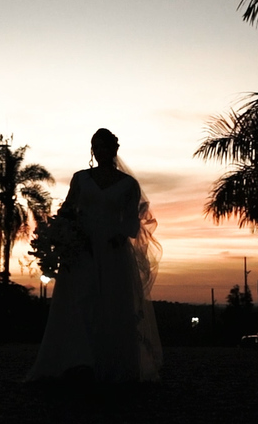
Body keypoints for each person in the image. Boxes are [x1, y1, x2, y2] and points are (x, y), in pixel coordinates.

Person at [27, 128, 163, 383]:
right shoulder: (81, 179)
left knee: (111, 305)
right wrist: (61, 234)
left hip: (112, 253)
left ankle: (110, 365)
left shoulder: (128, 185)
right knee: (78, 304)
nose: (99, 151)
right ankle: (77, 363)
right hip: (81, 250)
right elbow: (68, 209)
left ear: (114, 150)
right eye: (95, 147)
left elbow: (132, 223)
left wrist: (118, 236)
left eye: (104, 146)